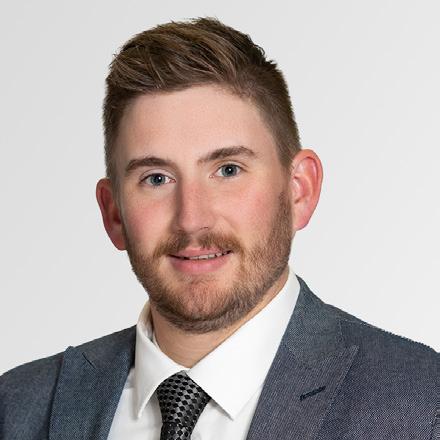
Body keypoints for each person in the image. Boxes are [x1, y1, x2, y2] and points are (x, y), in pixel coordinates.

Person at [1, 16, 438, 440]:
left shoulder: (423, 407)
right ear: (113, 213)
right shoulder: (16, 408)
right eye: (156, 178)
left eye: (228, 170)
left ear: (299, 191)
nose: (192, 219)